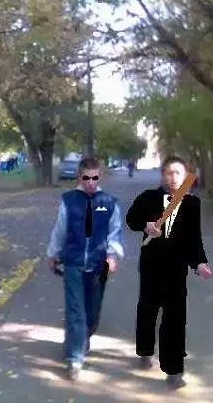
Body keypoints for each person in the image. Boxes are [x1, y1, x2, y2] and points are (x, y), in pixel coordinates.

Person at [126, 155, 213, 389]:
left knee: (175, 319)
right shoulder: (148, 198)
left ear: (185, 177)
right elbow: (131, 219)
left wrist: (199, 263)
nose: (173, 177)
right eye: (169, 173)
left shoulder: (192, 204)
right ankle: (145, 351)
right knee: (148, 310)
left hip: (177, 269)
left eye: (178, 173)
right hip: (151, 265)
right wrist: (145, 226)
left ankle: (173, 370)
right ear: (162, 175)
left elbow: (194, 240)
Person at [46, 156, 124, 381]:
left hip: (99, 265)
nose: (90, 182)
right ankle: (74, 357)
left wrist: (112, 255)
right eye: (86, 178)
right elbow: (60, 230)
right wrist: (52, 254)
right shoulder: (68, 201)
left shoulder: (109, 202)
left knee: (92, 310)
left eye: (94, 178)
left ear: (101, 177)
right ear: (79, 177)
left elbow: (115, 232)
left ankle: (82, 338)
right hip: (73, 262)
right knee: (75, 310)